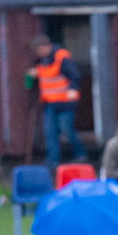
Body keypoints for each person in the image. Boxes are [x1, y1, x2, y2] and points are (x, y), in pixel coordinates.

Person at [27, 34, 87, 169]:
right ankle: (52, 162)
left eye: (39, 50)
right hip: (49, 103)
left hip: (65, 102)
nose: (38, 53)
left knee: (67, 130)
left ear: (46, 47)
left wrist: (73, 89)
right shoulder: (40, 60)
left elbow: (75, 75)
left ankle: (81, 155)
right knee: (50, 133)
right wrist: (34, 73)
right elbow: (45, 75)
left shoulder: (61, 57)